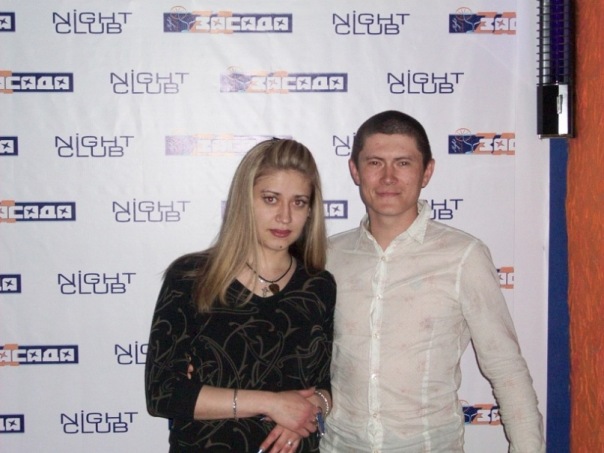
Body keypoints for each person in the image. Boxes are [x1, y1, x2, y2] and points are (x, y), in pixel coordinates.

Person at [321, 111, 545, 452]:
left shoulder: (463, 256)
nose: (388, 177)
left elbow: (506, 368)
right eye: (375, 163)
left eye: (403, 163)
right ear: (355, 170)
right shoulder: (328, 256)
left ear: (427, 172)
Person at [145, 138, 336, 453]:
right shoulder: (192, 277)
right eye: (271, 199)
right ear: (245, 201)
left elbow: (325, 384)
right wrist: (271, 404)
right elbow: (163, 393)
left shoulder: (319, 286)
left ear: (310, 211)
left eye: (299, 202)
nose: (285, 216)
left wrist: (312, 408)